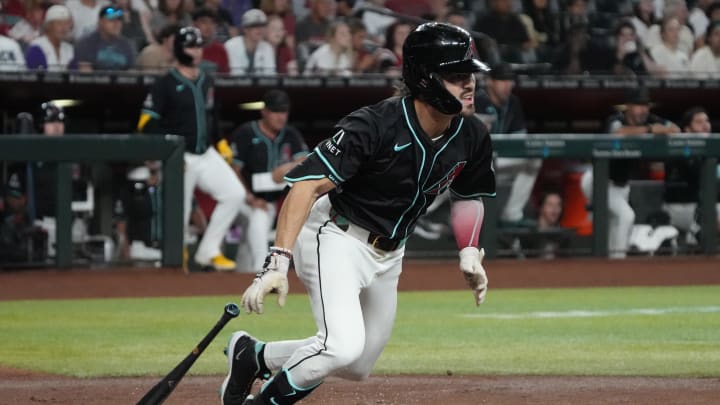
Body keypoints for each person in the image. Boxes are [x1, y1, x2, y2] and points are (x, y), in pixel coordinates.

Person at [219, 22, 495, 405]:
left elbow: (467, 195)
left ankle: (254, 356)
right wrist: (277, 263)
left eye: (471, 75)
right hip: (335, 234)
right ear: (426, 79)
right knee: (340, 347)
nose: (470, 85)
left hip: (389, 252)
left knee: (357, 363)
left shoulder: (472, 135)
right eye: (456, 76)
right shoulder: (375, 124)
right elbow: (305, 185)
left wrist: (468, 250)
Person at [137, 26, 248, 271]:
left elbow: (213, 119)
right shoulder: (164, 84)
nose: (196, 51)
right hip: (179, 155)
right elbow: (146, 122)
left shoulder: (207, 81)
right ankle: (178, 258)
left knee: (234, 194)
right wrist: (168, 152)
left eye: (199, 46)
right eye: (191, 46)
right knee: (180, 209)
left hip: (205, 153)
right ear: (179, 49)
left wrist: (222, 145)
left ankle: (208, 251)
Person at [580, 86, 680, 259]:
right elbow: (618, 133)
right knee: (626, 216)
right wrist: (649, 130)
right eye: (639, 105)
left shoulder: (650, 118)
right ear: (628, 107)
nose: (644, 110)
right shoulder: (616, 119)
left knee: (615, 224)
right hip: (598, 180)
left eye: (646, 105)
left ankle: (609, 265)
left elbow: (675, 129)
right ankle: (619, 262)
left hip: (621, 186)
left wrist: (661, 128)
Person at [227, 89, 308, 273]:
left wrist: (286, 167)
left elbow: (306, 160)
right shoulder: (246, 133)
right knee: (258, 217)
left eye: (284, 112)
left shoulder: (290, 134)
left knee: (247, 246)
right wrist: (249, 197)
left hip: (269, 201)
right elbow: (234, 170)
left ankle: (241, 276)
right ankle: (262, 269)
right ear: (265, 111)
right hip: (241, 198)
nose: (281, 117)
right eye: (276, 111)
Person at [475, 62, 538, 228]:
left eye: (510, 80)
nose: (507, 85)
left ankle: (512, 214)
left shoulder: (514, 103)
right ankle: (423, 212)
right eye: (502, 80)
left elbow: (520, 140)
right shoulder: (477, 101)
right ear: (490, 81)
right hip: (477, 165)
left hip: (500, 162)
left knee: (534, 159)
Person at [662, 106, 720, 244]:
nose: (705, 125)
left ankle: (696, 237)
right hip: (680, 207)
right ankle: (695, 234)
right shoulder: (679, 151)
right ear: (687, 129)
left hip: (705, 206)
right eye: (699, 122)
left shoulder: (714, 150)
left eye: (706, 121)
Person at [75, 6, 137, 71]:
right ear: (100, 22)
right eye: (111, 19)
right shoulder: (86, 44)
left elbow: (131, 73)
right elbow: (84, 75)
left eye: (119, 20)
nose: (116, 23)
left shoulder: (127, 45)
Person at [225, 9, 276, 75]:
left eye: (262, 25)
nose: (260, 29)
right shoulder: (230, 46)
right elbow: (234, 76)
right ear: (245, 29)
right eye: (255, 25)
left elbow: (270, 77)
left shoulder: (267, 47)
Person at [24, 5, 74, 72]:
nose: (63, 28)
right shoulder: (36, 46)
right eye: (59, 23)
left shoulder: (70, 49)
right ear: (48, 25)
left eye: (66, 24)